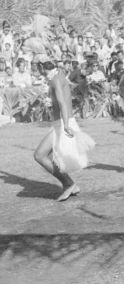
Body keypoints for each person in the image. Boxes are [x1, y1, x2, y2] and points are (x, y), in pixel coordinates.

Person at [34, 62, 95, 201]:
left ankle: (69, 184)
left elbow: (62, 103)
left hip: (62, 123)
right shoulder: (59, 75)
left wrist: (66, 125)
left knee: (39, 155)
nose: (41, 74)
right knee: (46, 156)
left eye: (39, 70)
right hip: (61, 122)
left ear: (43, 68)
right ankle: (70, 184)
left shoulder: (55, 79)